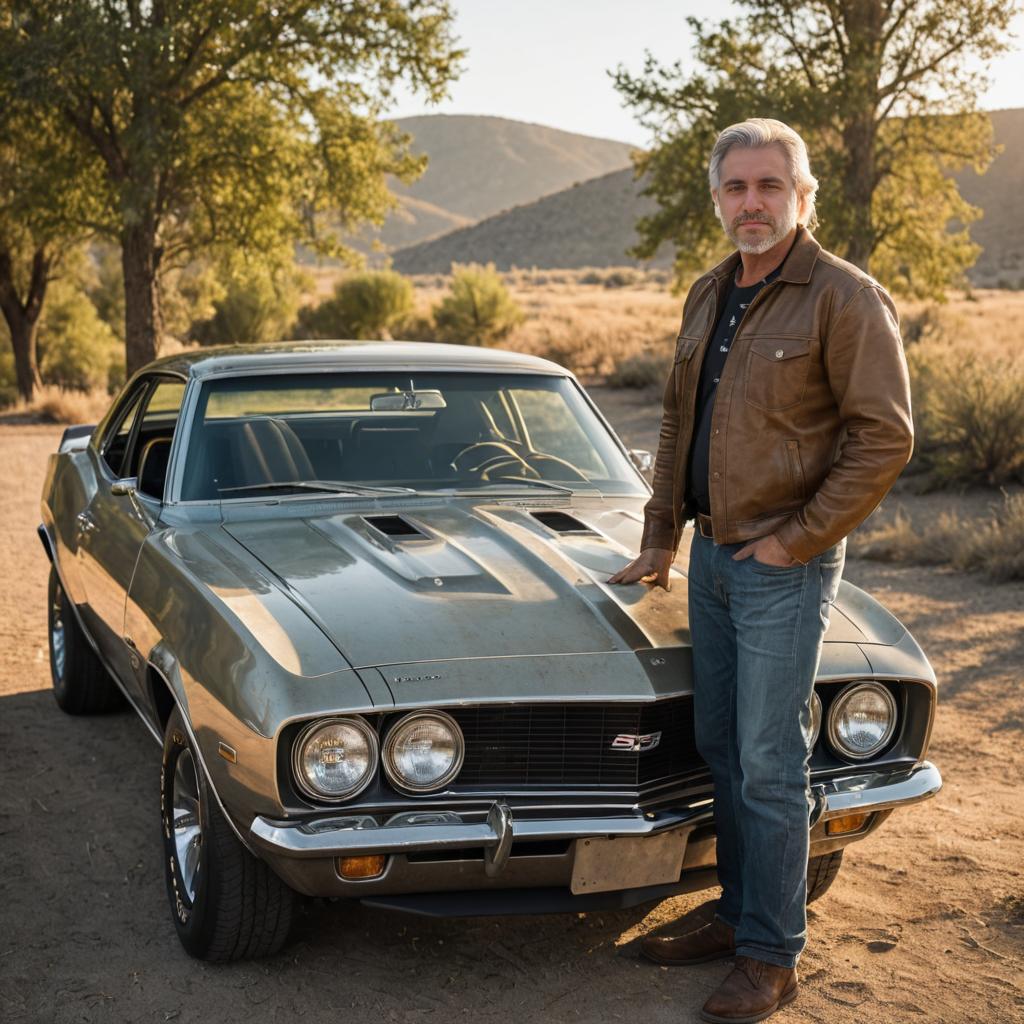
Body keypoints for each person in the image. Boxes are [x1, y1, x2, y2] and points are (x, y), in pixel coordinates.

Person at [608, 117, 914, 1024]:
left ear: (801, 194)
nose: (752, 202)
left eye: (769, 186)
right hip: (710, 555)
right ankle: (737, 916)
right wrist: (662, 534)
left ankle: (772, 956)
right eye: (736, 188)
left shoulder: (844, 297)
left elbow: (884, 438)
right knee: (723, 748)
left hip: (784, 565)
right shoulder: (709, 292)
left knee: (771, 761)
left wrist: (796, 540)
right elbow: (676, 424)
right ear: (718, 199)